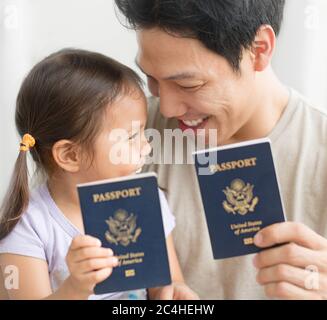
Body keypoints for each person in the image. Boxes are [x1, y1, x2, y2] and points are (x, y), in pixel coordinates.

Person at [114, 0, 327, 299]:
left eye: (189, 84)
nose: (167, 107)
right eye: (152, 80)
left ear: (259, 49)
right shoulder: (123, 135)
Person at [0, 49, 198, 300]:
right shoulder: (28, 225)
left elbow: (166, 283)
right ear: (71, 155)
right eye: (131, 136)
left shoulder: (146, 200)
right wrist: (76, 288)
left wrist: (175, 294)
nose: (146, 147)